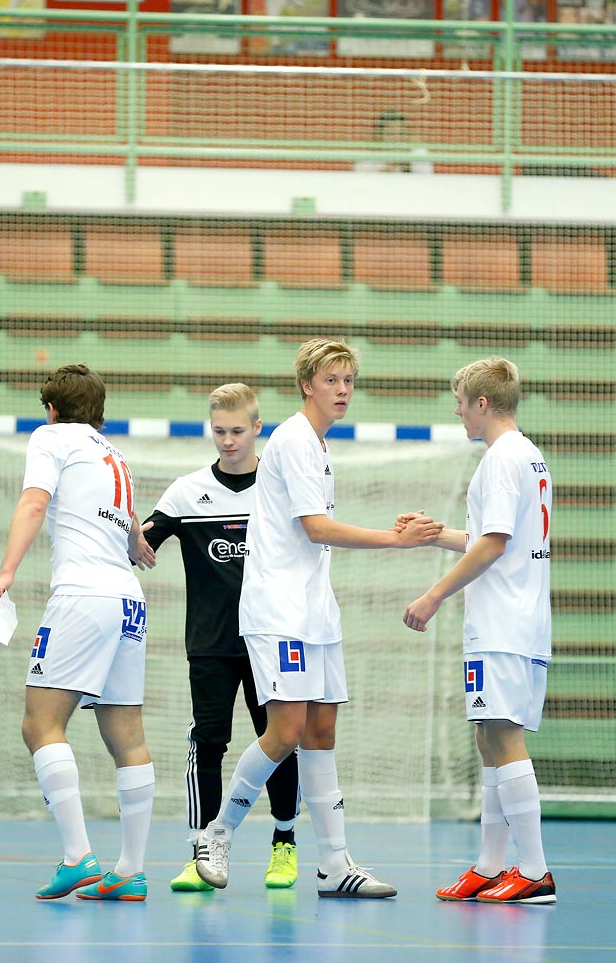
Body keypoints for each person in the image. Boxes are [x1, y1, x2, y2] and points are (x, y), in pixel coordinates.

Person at [192, 338, 442, 897]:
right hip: (279, 612)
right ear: (307, 385)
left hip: (315, 612)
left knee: (322, 732)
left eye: (349, 381)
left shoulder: (319, 446)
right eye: (332, 381)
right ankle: (217, 833)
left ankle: (334, 864)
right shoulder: (294, 441)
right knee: (285, 731)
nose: (343, 390)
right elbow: (316, 528)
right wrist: (396, 541)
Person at [0, 364, 159, 903]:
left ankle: (77, 855)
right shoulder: (114, 455)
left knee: (40, 724)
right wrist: (134, 544)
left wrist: (7, 572)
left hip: (82, 597)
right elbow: (126, 518)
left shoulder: (51, 437)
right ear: (99, 413)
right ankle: (129, 870)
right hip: (129, 600)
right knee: (126, 734)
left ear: (52, 409)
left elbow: (34, 501)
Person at [402, 357, 556, 905]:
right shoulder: (528, 456)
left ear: (482, 404)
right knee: (487, 735)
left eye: (462, 400)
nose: (458, 409)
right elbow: (498, 537)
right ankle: (492, 865)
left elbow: (492, 545)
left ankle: (534, 870)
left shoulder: (501, 459)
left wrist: (433, 595)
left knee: (503, 735)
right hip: (515, 619)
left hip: (503, 622)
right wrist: (436, 534)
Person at [140, 383, 302, 893]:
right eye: (219, 431)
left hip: (269, 640)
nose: (228, 441)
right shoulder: (186, 492)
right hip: (209, 645)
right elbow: (141, 541)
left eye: (237, 431)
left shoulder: (278, 490)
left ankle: (284, 843)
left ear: (257, 428)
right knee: (207, 743)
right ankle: (201, 852)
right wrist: (117, 523)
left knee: (278, 743)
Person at [354, 110, 433, 175]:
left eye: (400, 133)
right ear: (379, 135)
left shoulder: (419, 152)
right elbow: (361, 183)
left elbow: (426, 178)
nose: (396, 138)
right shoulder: (367, 157)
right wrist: (389, 167)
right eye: (390, 133)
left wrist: (407, 163)